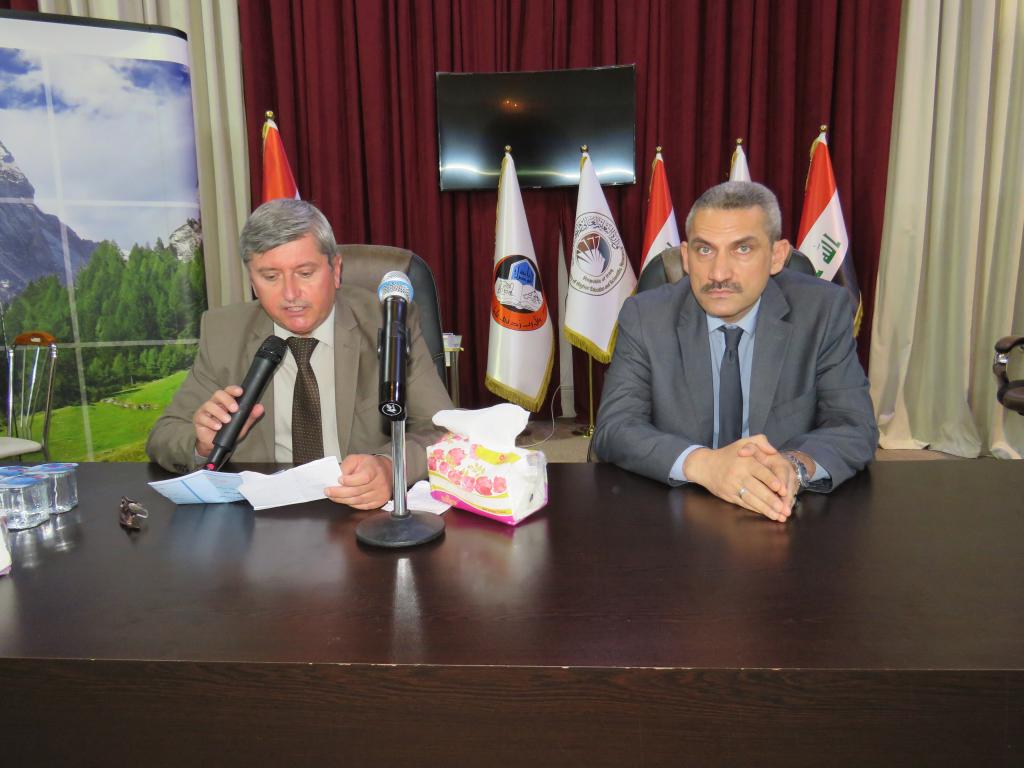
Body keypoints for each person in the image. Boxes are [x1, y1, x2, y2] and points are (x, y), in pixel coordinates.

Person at [593, 181, 877, 522]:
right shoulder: (645, 316)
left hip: (780, 510)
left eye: (742, 249)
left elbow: (853, 426)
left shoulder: (822, 311)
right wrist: (705, 465)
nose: (719, 274)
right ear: (685, 257)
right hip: (676, 513)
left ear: (777, 256)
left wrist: (793, 466)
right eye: (704, 250)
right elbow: (616, 427)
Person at [146, 199, 453, 509]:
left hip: (358, 513)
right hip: (261, 518)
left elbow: (444, 431)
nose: (290, 294)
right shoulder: (224, 332)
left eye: (305, 273)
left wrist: (389, 467)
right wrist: (201, 444)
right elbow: (163, 435)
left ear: (335, 270)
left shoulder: (388, 322)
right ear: (252, 281)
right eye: (270, 277)